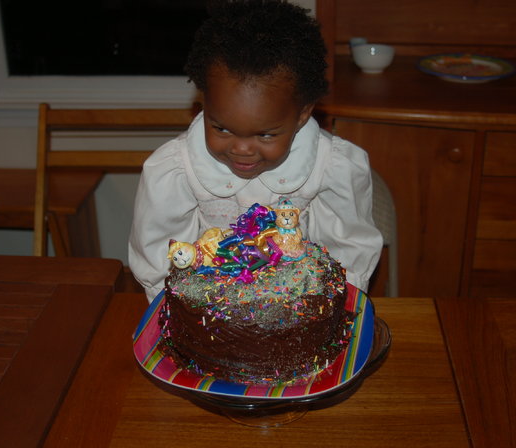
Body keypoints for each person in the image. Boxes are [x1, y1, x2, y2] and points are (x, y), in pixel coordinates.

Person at [129, 0, 382, 301]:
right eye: (221, 128)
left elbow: (348, 252)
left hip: (297, 303)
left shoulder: (329, 166)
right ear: (204, 105)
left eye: (265, 134)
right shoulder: (177, 169)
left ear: (302, 114)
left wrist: (338, 303)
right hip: (209, 306)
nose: (241, 149)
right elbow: (160, 259)